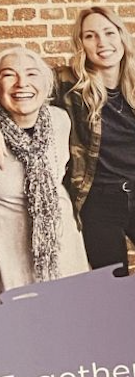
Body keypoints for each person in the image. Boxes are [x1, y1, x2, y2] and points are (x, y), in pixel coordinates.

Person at [53, 6, 135, 272]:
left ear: (122, 37)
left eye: (109, 32)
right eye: (90, 36)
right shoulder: (67, 84)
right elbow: (19, 89)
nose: (102, 42)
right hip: (98, 202)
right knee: (113, 286)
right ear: (81, 44)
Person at [0, 47, 88, 289]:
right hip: (9, 253)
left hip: (64, 243)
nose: (21, 83)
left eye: (31, 74)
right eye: (8, 75)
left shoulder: (61, 120)